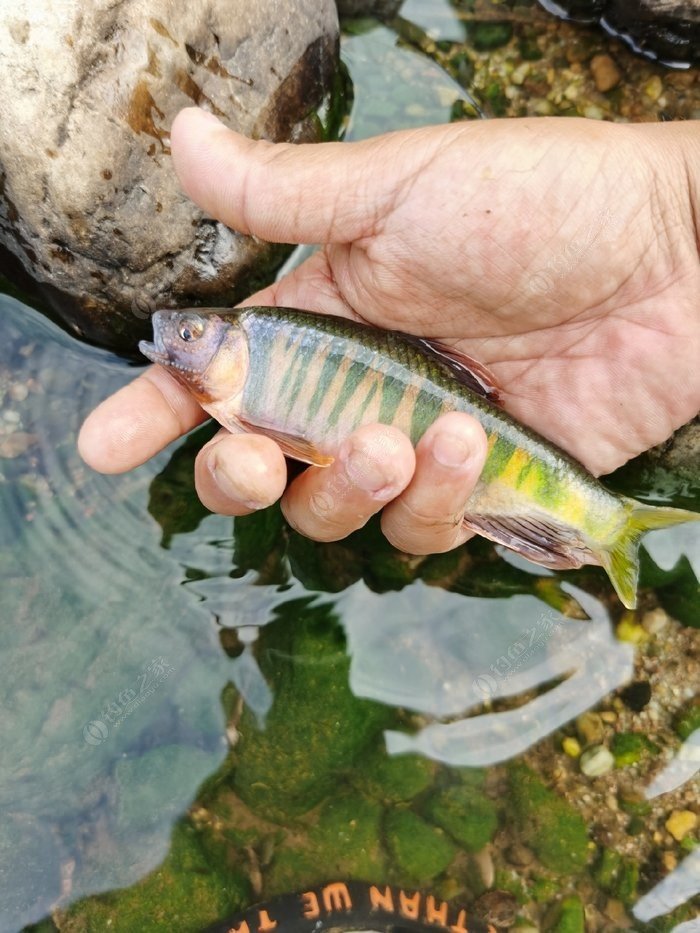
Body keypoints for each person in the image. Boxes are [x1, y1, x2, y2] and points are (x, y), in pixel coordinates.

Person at [79, 108, 700, 554]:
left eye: (191, 335)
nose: (173, 333)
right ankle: (606, 522)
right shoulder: (254, 356)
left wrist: (677, 212)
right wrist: (677, 213)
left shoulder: (259, 350)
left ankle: (611, 523)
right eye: (186, 335)